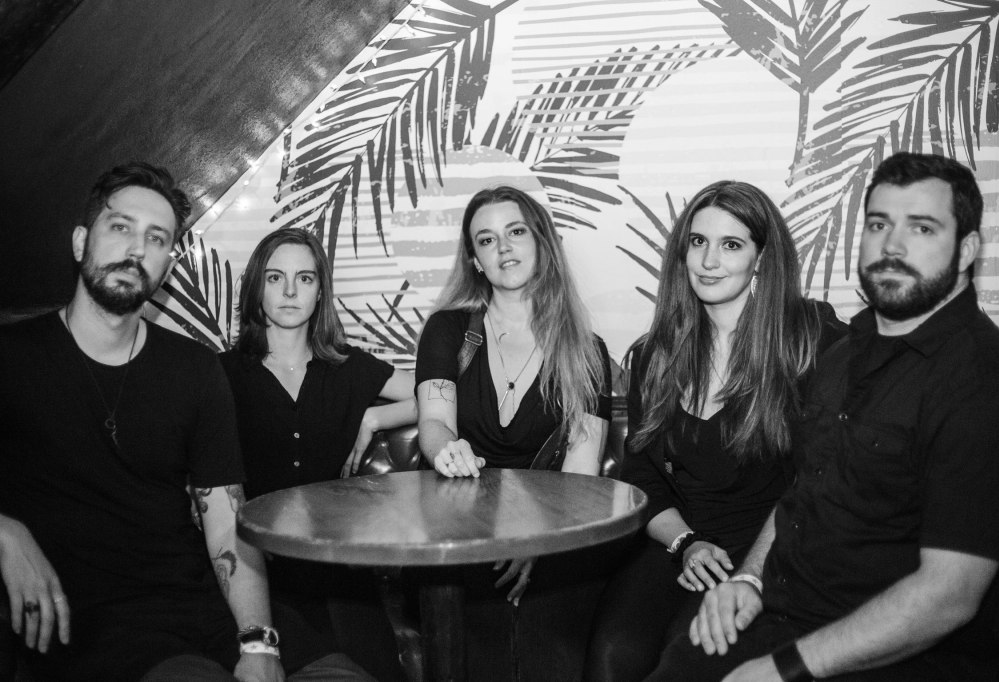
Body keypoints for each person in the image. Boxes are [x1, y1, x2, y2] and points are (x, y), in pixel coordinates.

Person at [652, 152, 999, 682]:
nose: (892, 246)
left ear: (966, 249)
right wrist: (749, 581)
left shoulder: (987, 380)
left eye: (922, 228)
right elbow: (802, 491)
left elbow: (949, 596)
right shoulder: (842, 356)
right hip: (788, 611)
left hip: (903, 650)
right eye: (879, 224)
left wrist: (784, 669)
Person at [0, 162, 369, 682]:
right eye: (120, 227)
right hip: (94, 623)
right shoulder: (14, 356)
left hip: (204, 601)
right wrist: (4, 531)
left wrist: (258, 640)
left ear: (167, 267)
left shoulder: (194, 368)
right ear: (81, 242)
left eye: (157, 238)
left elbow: (225, 520)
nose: (136, 249)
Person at [583, 180, 846, 681]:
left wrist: (752, 573)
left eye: (731, 244)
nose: (708, 261)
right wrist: (687, 543)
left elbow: (818, 477)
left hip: (767, 550)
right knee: (613, 658)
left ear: (761, 258)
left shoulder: (809, 340)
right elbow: (641, 476)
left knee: (683, 659)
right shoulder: (656, 353)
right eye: (698, 242)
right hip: (678, 542)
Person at [414, 185, 612, 680]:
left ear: (542, 242)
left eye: (516, 232)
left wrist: (537, 544)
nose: (503, 247)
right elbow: (435, 424)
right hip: (460, 533)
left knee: (545, 650)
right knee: (480, 647)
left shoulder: (588, 351)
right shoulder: (447, 330)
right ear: (475, 261)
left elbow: (581, 476)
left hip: (554, 537)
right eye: (486, 240)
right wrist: (446, 451)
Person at [220, 227, 417, 681]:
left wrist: (374, 418)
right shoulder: (222, 374)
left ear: (320, 291)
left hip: (339, 573)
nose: (290, 291)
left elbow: (436, 395)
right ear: (256, 288)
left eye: (305, 278)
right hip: (257, 572)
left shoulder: (347, 367)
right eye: (275, 278)